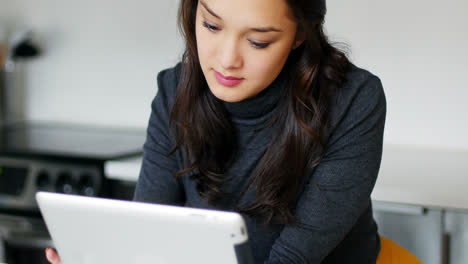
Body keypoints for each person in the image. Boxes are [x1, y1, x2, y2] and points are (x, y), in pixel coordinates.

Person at [46, 0, 386, 263]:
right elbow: (148, 233)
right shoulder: (174, 89)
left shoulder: (352, 101)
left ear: (300, 34)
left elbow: (293, 259)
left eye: (257, 42)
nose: (226, 60)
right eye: (211, 25)